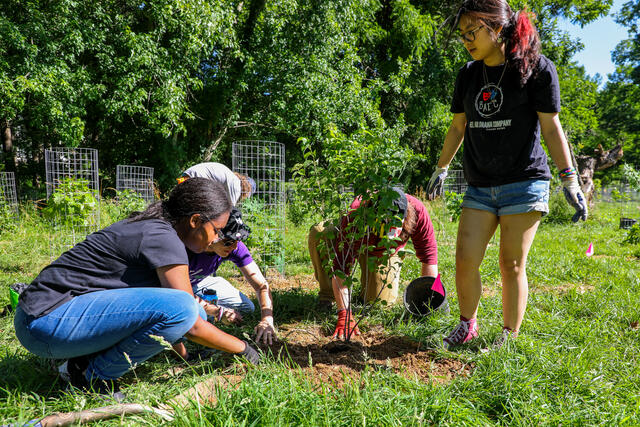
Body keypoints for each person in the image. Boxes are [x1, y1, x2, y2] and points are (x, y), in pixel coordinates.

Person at [426, 0, 588, 349]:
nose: (467, 40)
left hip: (525, 182)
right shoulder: (469, 73)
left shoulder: (536, 69)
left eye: (473, 32)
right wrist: (441, 168)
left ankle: (507, 337)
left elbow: (551, 126)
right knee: (465, 260)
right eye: (463, 34)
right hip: (481, 184)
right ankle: (468, 325)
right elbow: (458, 127)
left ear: (497, 29)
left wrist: (569, 177)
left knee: (510, 263)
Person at [14, 178, 260, 401]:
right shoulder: (164, 238)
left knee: (193, 310)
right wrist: (243, 348)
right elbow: (189, 321)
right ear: (195, 220)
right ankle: (93, 377)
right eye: (216, 230)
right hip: (44, 323)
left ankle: (78, 364)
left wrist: (185, 357)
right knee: (185, 308)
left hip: (47, 319)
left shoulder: (158, 227)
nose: (217, 238)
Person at [309, 187, 438, 339]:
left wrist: (429, 299)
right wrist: (344, 314)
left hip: (385, 254)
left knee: (378, 302)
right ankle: (328, 295)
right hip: (358, 241)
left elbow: (429, 258)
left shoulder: (418, 211)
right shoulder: (356, 215)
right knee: (320, 232)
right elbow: (341, 268)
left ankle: (364, 290)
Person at [171, 208, 276, 361]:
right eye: (227, 242)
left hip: (200, 280)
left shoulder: (233, 247)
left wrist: (267, 319)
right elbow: (177, 293)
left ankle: (209, 302)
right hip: (177, 285)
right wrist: (218, 312)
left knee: (247, 308)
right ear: (212, 234)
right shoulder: (188, 248)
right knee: (188, 318)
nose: (233, 247)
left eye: (236, 241)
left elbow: (261, 285)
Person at [177, 162, 256, 206]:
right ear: (247, 190)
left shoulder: (231, 178)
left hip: (188, 176)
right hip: (194, 179)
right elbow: (230, 210)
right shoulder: (236, 185)